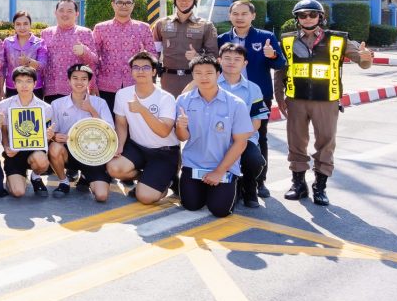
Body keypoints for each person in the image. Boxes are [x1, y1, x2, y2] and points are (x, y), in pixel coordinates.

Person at [274, 0, 373, 206]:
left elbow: (363, 63)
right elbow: (281, 70)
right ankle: (298, 184)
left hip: (326, 100)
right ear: (297, 18)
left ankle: (320, 187)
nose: (307, 18)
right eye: (302, 15)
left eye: (312, 14)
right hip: (296, 99)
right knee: (296, 142)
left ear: (321, 17)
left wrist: (366, 57)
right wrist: (279, 97)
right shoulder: (286, 40)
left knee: (326, 142)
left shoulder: (339, 39)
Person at [219, 0, 286, 198]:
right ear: (230, 16)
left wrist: (272, 55)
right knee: (223, 136)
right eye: (235, 14)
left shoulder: (266, 37)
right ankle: (232, 177)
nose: (239, 18)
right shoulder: (222, 38)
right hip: (226, 95)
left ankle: (259, 181)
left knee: (259, 138)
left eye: (244, 14)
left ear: (253, 16)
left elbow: (280, 64)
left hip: (257, 96)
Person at [174, 54, 254, 218]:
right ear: (193, 75)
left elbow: (240, 143)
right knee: (191, 205)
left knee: (220, 210)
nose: (203, 77)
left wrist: (219, 171)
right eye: (198, 73)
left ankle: (236, 185)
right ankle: (203, 187)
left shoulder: (235, 104)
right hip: (194, 164)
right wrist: (180, 127)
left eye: (209, 73)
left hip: (223, 166)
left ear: (218, 74)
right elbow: (182, 137)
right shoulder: (183, 101)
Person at [106, 52, 179, 206]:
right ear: (131, 71)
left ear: (154, 72)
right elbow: (121, 124)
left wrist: (142, 109)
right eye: (136, 67)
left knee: (145, 197)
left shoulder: (166, 97)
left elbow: (164, 131)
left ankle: (167, 181)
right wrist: (119, 146)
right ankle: (146, 178)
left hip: (163, 151)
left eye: (146, 67)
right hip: (138, 147)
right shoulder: (123, 94)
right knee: (114, 168)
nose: (140, 71)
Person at [47, 63, 114, 201]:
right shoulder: (57, 104)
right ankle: (63, 181)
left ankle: (85, 176)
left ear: (89, 82)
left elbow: (109, 132)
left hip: (94, 155)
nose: (79, 82)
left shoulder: (100, 103)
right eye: (75, 78)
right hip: (69, 152)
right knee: (54, 148)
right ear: (68, 81)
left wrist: (91, 110)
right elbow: (52, 131)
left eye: (84, 79)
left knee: (101, 196)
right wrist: (53, 136)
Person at [216, 43, 270, 208]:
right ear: (219, 60)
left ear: (245, 63)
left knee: (255, 160)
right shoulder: (211, 85)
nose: (232, 62)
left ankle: (250, 186)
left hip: (244, 138)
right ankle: (232, 184)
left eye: (237, 59)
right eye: (227, 58)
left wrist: (239, 138)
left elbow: (257, 120)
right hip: (216, 139)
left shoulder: (253, 89)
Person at [0, 66, 56, 197]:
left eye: (28, 81)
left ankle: (35, 177)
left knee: (41, 159)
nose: (24, 85)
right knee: (18, 192)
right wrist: (7, 147)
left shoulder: (45, 108)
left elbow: (44, 136)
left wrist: (48, 136)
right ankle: (18, 176)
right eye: (19, 81)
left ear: (35, 84)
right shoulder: (4, 105)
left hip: (34, 150)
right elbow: (4, 131)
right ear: (14, 84)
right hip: (14, 152)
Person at [91, 0, 153, 111]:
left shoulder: (143, 28)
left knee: (134, 125)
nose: (124, 6)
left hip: (135, 85)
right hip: (106, 85)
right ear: (113, 4)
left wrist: (144, 55)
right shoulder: (100, 28)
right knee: (109, 125)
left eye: (128, 3)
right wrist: (92, 83)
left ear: (133, 5)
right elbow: (93, 58)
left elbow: (153, 56)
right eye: (120, 2)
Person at [153, 0, 218, 96]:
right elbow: (154, 52)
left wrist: (198, 57)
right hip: (168, 79)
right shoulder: (161, 24)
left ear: (195, 1)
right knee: (169, 112)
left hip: (194, 79)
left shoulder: (206, 25)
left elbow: (214, 56)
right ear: (174, 1)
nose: (184, 2)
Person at [40, 0, 98, 104]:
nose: (65, 14)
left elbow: (94, 61)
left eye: (69, 11)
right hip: (51, 90)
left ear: (77, 14)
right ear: (55, 13)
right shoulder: (46, 33)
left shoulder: (85, 32)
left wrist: (84, 51)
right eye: (61, 10)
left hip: (76, 90)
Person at [1, 10, 47, 98]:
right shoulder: (7, 42)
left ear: (30, 25)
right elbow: (3, 67)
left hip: (34, 87)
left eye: (25, 24)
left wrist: (29, 61)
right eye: (18, 24)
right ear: (14, 26)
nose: (22, 27)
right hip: (12, 86)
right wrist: (1, 90)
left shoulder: (39, 43)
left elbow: (43, 66)